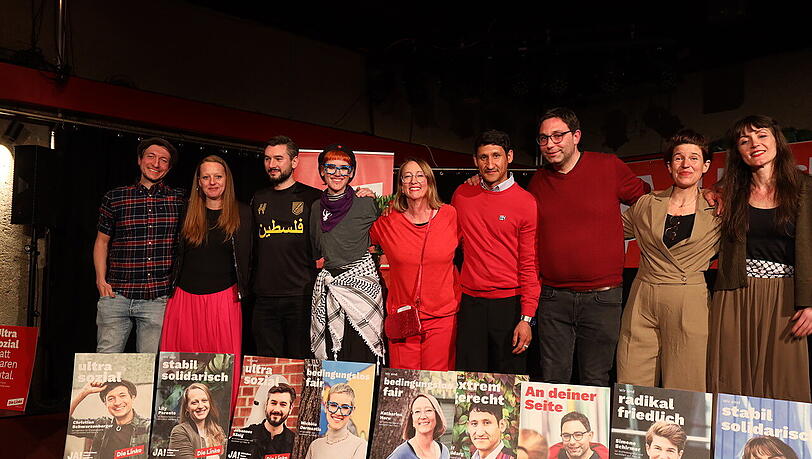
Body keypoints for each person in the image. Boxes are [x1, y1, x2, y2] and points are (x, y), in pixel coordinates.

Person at [529, 108, 650, 385]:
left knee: (595, 379)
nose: (550, 144)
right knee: (552, 380)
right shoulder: (538, 181)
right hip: (553, 298)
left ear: (576, 136)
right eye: (544, 138)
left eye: (557, 136)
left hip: (602, 298)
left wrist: (700, 193)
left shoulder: (608, 166)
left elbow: (648, 201)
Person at [708, 115, 812, 402]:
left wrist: (810, 302)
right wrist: (709, 194)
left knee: (784, 385)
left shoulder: (805, 187)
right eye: (745, 141)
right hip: (735, 294)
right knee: (731, 381)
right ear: (738, 152)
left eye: (762, 135)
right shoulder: (730, 192)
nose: (755, 144)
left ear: (777, 140)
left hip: (786, 296)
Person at [615, 130, 720, 392]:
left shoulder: (719, 209)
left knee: (686, 385)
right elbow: (606, 230)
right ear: (669, 166)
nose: (686, 165)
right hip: (643, 297)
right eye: (678, 158)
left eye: (694, 158)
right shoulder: (646, 204)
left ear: (706, 166)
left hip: (690, 298)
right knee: (632, 382)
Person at [452, 129, 538, 374]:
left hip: (509, 305)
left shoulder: (526, 202)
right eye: (484, 157)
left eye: (496, 156)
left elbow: (530, 264)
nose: (490, 164)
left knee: (508, 385)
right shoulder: (462, 195)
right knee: (468, 382)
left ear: (509, 157)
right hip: (470, 304)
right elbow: (449, 241)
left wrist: (527, 318)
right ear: (475, 161)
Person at [94, 137, 185, 353]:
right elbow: (102, 242)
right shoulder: (116, 197)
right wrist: (100, 280)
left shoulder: (179, 200)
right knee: (106, 361)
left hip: (157, 297)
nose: (156, 163)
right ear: (139, 160)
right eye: (151, 156)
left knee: (149, 364)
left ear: (169, 167)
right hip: (117, 294)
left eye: (163, 160)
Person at [370, 158, 460, 370]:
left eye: (420, 175)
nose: (414, 181)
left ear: (429, 181)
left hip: (441, 317)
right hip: (403, 317)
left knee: (436, 382)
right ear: (401, 185)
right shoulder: (388, 220)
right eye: (407, 176)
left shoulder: (450, 215)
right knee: (403, 383)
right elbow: (359, 240)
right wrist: (362, 201)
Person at [160, 155, 251, 362]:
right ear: (199, 182)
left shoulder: (243, 213)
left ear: (227, 180)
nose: (212, 182)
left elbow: (251, 257)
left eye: (218, 176)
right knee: (180, 367)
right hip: (183, 300)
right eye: (206, 177)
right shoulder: (185, 210)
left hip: (224, 300)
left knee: (221, 367)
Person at [309, 144, 384, 363]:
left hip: (362, 286)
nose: (337, 173)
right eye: (331, 167)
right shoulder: (315, 207)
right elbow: (316, 247)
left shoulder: (366, 203)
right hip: (330, 286)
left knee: (361, 350)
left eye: (344, 168)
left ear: (351, 173)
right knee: (334, 353)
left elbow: (385, 236)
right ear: (322, 171)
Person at [252, 135, 321, 359]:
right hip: (264, 297)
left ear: (294, 161)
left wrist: (363, 197)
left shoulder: (314, 198)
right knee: (267, 363)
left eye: (278, 158)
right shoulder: (258, 198)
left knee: (299, 362)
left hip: (301, 296)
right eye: (267, 159)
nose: (272, 164)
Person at [68, 380, 151, 459]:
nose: (117, 403)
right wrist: (83, 393)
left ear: (132, 398)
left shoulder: (147, 427)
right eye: (111, 399)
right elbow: (68, 425)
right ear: (105, 403)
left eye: (122, 396)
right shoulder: (101, 426)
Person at [228, 383, 297, 458]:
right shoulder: (242, 437)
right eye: (273, 403)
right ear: (266, 404)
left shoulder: (295, 443)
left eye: (283, 404)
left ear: (291, 408)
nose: (276, 409)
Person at [305, 383, 367, 459]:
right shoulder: (315, 446)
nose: (338, 412)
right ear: (326, 407)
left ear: (352, 411)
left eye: (345, 407)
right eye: (333, 405)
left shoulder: (360, 446)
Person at [169, 383, 227, 459]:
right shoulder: (180, 431)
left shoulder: (218, 431)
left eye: (204, 401)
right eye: (194, 403)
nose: (200, 406)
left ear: (210, 403)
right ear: (187, 407)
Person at [387, 393, 449, 459]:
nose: (423, 416)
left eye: (428, 410)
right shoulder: (401, 454)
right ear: (412, 420)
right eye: (417, 411)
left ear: (437, 416)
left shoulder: (444, 452)